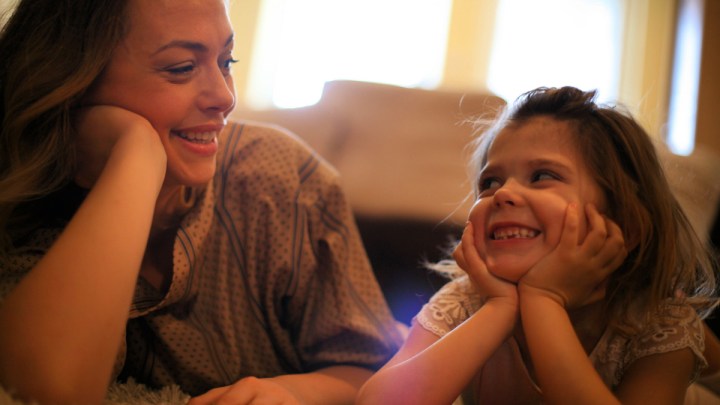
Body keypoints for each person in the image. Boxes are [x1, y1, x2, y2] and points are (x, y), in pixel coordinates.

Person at [0, 1, 403, 404]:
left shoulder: (281, 181)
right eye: (181, 68)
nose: (224, 97)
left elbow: (375, 370)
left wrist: (290, 392)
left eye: (227, 61)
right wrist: (136, 156)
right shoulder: (24, 210)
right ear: (74, 80)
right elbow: (44, 390)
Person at [356, 86, 719, 404]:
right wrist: (500, 307)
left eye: (543, 176)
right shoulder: (468, 301)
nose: (505, 194)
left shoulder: (656, 322)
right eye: (490, 182)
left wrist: (544, 299)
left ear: (625, 223)